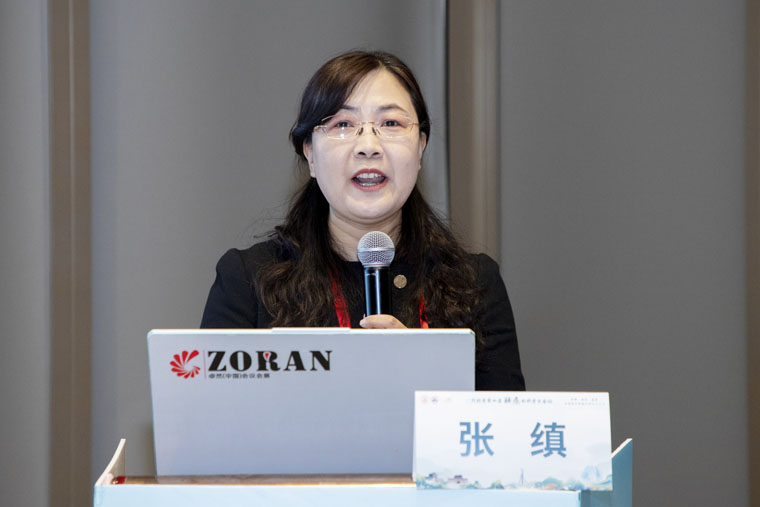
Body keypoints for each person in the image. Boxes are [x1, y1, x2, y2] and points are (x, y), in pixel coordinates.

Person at [201, 50, 525, 391]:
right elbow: (208, 418)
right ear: (310, 153)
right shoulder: (248, 281)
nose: (368, 146)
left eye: (391, 124)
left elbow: (504, 422)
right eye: (343, 124)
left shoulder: (473, 285)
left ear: (420, 148)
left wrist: (425, 373)